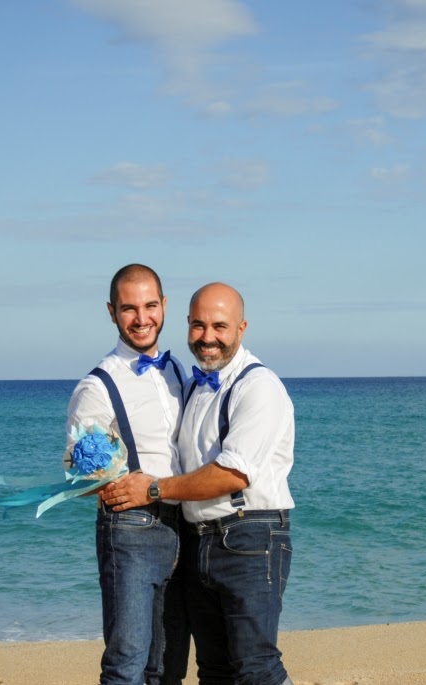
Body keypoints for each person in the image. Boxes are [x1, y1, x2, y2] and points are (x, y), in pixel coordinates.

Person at [104, 282, 296, 685]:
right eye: (198, 325)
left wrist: (153, 489)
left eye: (220, 326)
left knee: (258, 667)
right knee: (214, 670)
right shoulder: (193, 385)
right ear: (187, 324)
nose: (208, 337)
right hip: (199, 541)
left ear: (241, 328)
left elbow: (233, 473)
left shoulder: (259, 386)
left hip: (250, 537)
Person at [65, 264, 188, 685]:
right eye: (128, 308)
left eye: (150, 306)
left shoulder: (176, 371)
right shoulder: (97, 386)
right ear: (111, 312)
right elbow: (77, 476)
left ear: (164, 305)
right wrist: (106, 481)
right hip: (131, 530)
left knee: (168, 666)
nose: (141, 318)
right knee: (127, 664)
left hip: (183, 527)